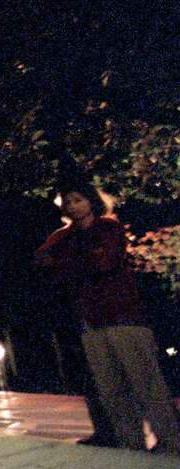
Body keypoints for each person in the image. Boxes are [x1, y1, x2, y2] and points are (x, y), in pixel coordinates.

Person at [34, 181, 180, 454]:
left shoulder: (108, 228)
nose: (73, 207)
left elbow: (102, 262)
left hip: (124, 316)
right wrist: (75, 261)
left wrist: (67, 263)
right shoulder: (64, 235)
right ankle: (130, 442)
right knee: (112, 388)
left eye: (78, 200)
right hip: (90, 320)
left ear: (91, 201)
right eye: (68, 202)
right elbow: (42, 259)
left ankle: (171, 442)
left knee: (145, 383)